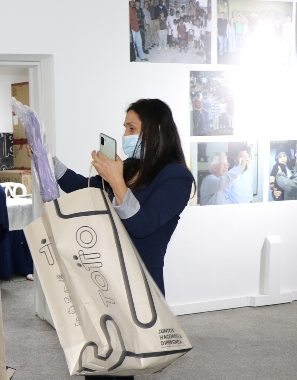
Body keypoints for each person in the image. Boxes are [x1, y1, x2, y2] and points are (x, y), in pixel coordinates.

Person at [54, 99, 193, 380]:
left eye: (132, 128)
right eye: (125, 128)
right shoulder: (130, 166)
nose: (126, 135)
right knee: (101, 360)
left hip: (139, 285)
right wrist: (49, 163)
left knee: (122, 364)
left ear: (156, 130)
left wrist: (117, 182)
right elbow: (85, 188)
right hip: (106, 277)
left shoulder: (176, 176)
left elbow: (143, 225)